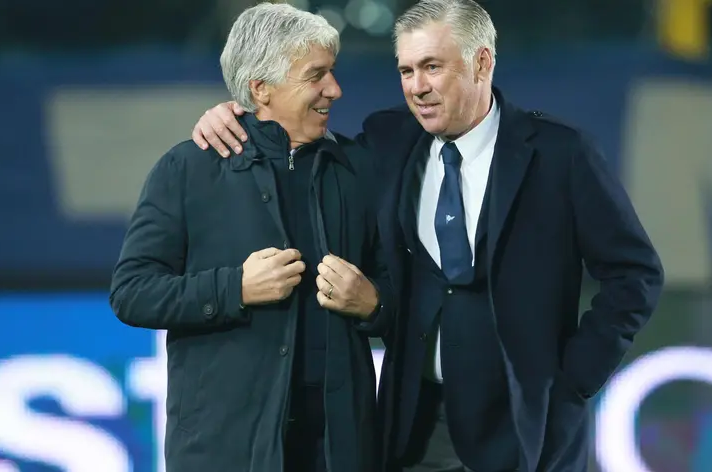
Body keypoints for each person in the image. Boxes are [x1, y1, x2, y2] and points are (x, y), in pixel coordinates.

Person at [189, 1, 664, 471]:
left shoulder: (561, 154)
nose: (417, 87)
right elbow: (296, 144)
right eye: (406, 70)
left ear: (482, 62)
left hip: (527, 429)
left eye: (432, 67)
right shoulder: (388, 139)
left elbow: (634, 275)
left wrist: (573, 380)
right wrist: (239, 114)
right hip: (413, 429)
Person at [109, 3, 394, 472]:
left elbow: (399, 293)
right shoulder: (188, 169)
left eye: (333, 72)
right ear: (261, 88)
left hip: (339, 449)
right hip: (226, 451)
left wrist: (374, 304)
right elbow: (131, 293)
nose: (335, 89)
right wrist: (234, 288)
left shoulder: (357, 169)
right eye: (316, 75)